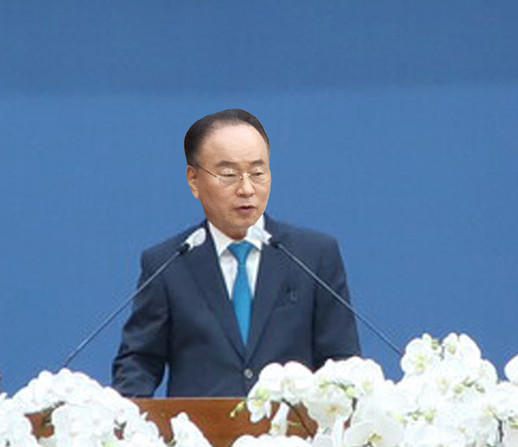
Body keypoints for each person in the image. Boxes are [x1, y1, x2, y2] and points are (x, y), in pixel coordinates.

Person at [112, 109, 360, 397]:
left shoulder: (314, 256)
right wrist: (128, 422)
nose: (246, 189)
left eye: (258, 173)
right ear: (194, 180)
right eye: (229, 174)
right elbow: (139, 363)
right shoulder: (168, 263)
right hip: (200, 438)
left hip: (291, 437)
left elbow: (342, 361)